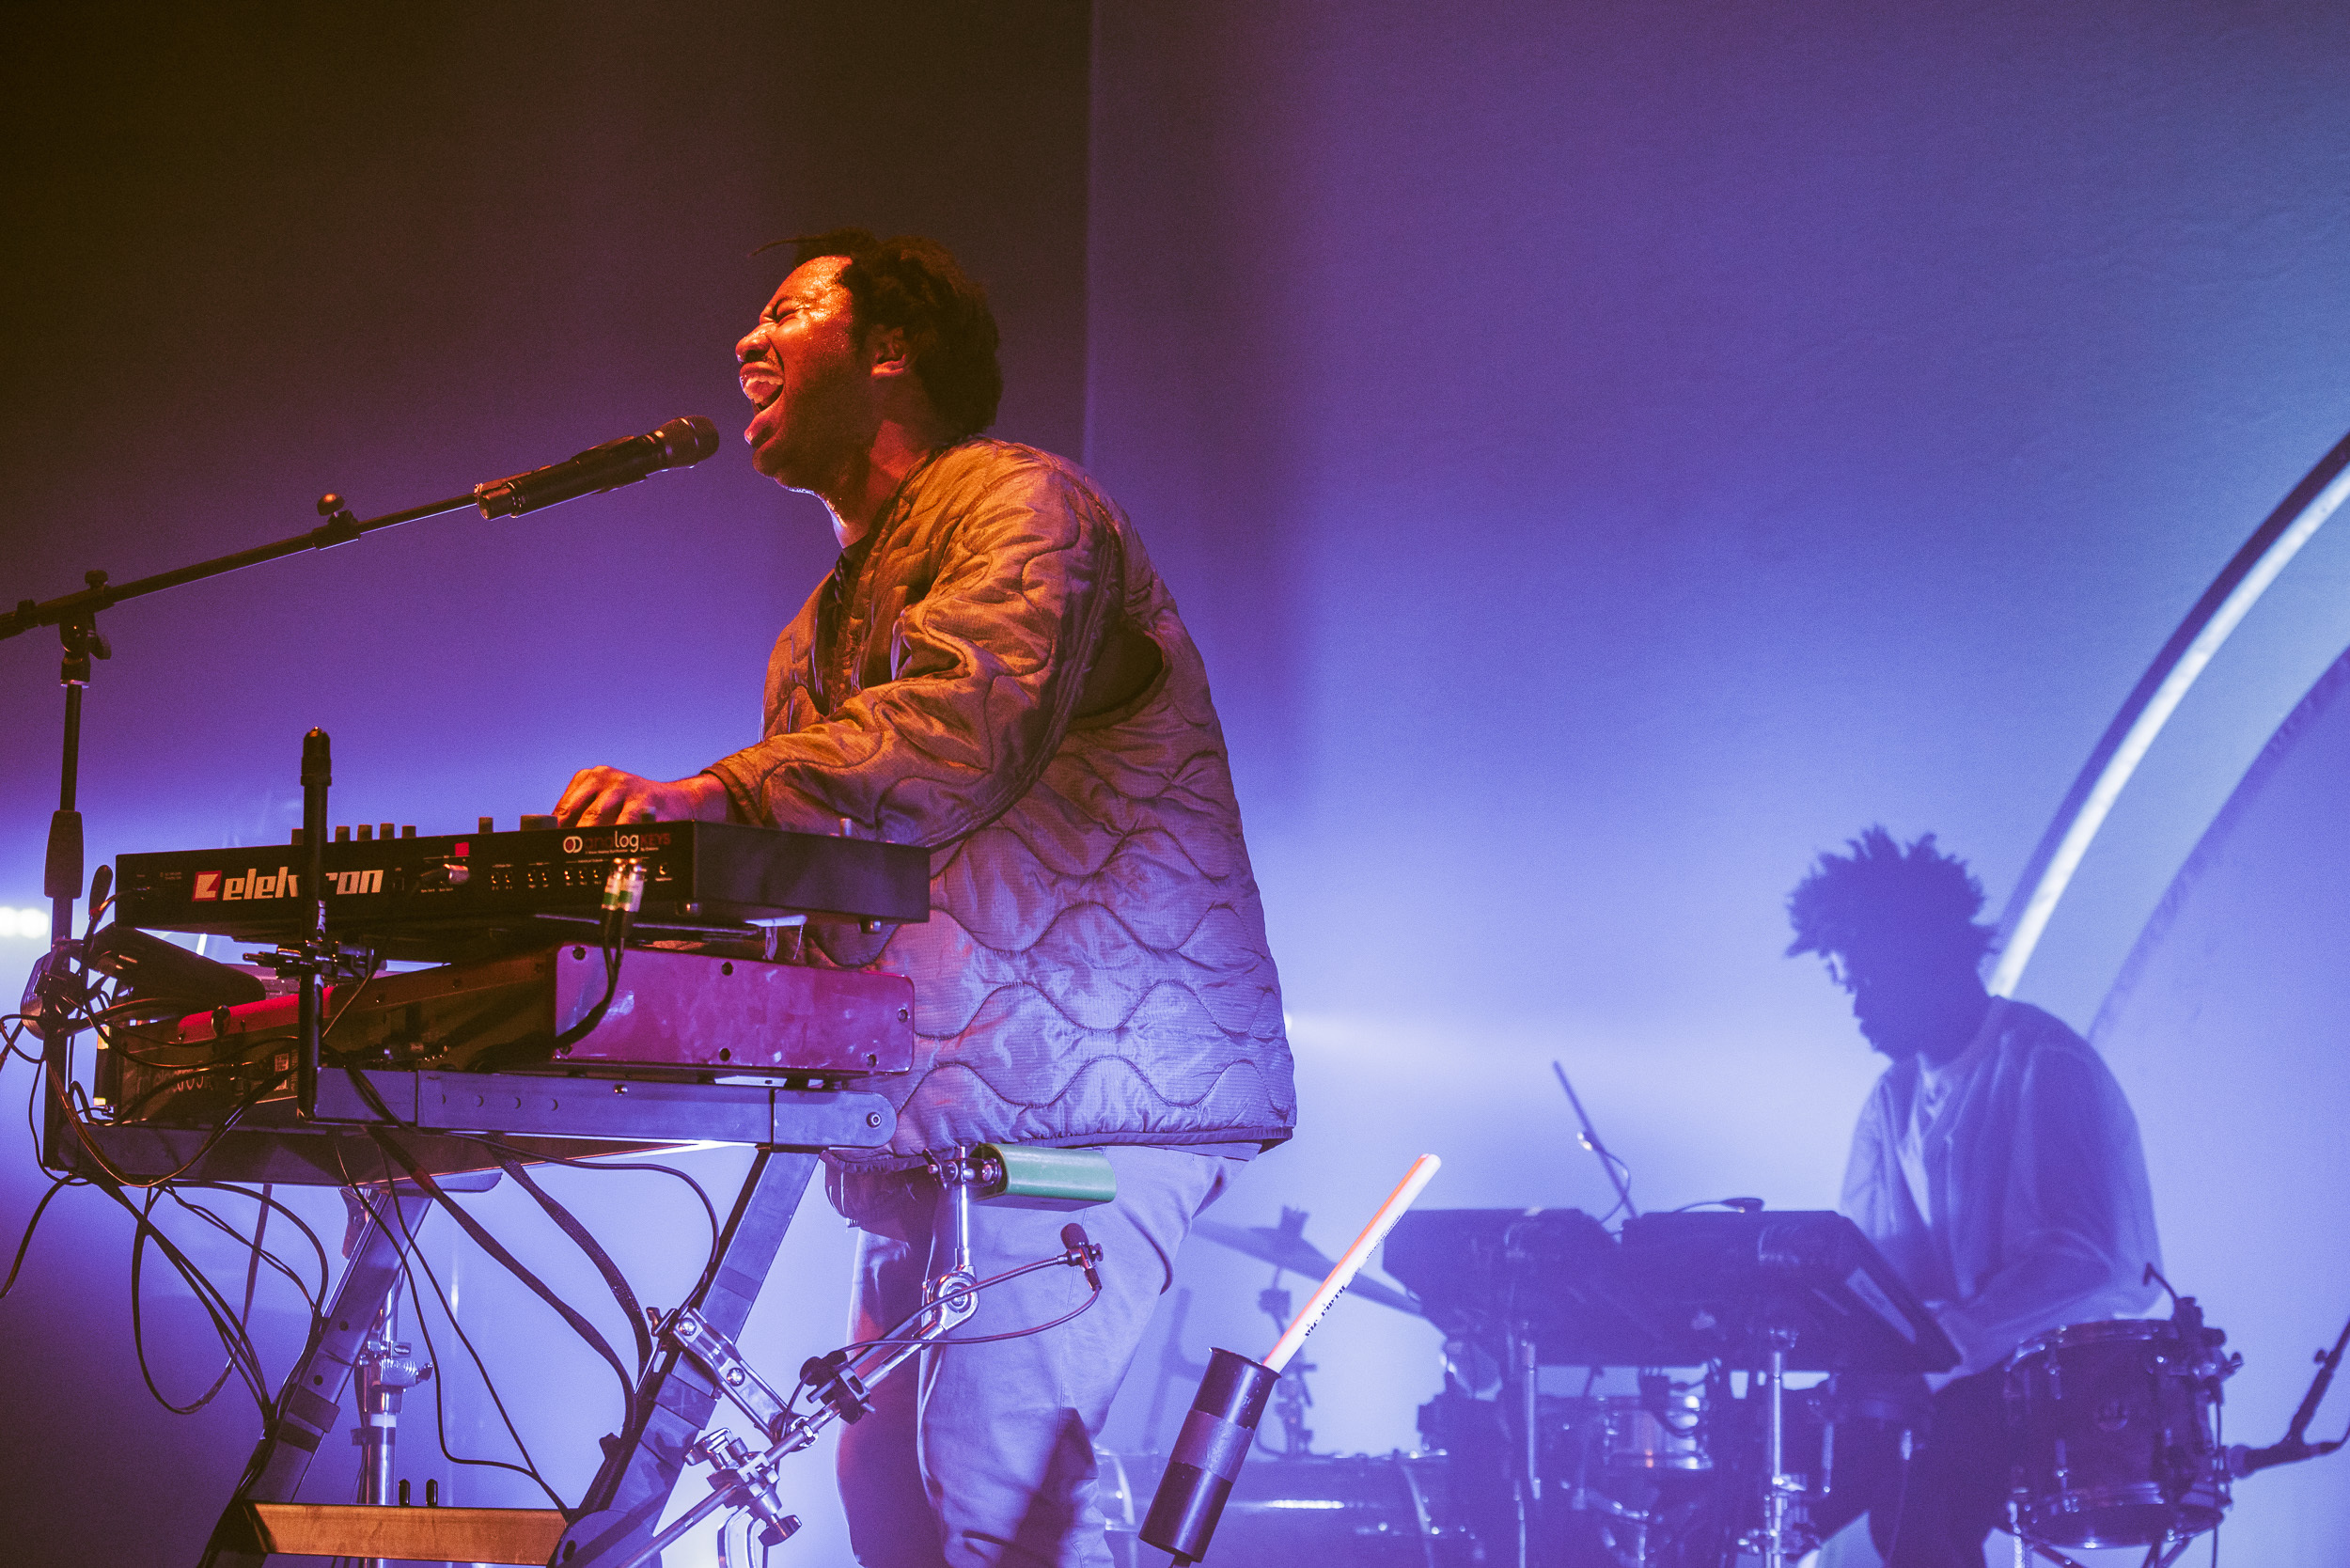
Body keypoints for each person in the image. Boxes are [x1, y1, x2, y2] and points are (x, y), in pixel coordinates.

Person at [555, 230, 1296, 1566]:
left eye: (789, 311)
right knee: (890, 1509)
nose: (746, 343)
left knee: (996, 1502)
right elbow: (828, 881)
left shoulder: (1023, 504)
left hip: (1084, 1121)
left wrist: (714, 796)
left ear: (888, 349)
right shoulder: (814, 628)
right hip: (936, 1135)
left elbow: (963, 726)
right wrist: (595, 945)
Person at [1785, 827, 2161, 1568]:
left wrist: (1940, 1351)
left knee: (1916, 1509)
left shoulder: (2043, 1065)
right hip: (1944, 1378)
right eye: (1844, 985)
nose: (1856, 1007)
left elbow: (2083, 1260)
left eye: (1865, 979)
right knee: (1770, 1463)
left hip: (2050, 1383)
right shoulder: (1891, 1100)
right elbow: (1875, 1270)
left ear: (1923, 955)